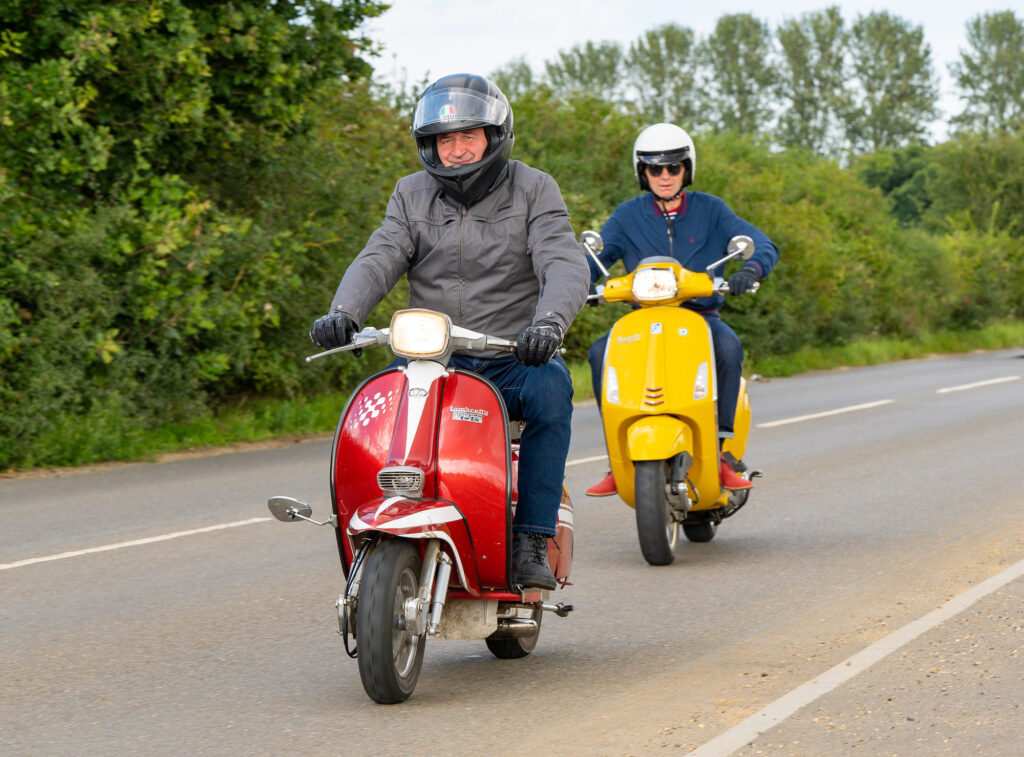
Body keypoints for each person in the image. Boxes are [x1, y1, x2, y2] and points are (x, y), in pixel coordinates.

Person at [309, 74, 590, 590]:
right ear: (429, 146)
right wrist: (344, 312)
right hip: (432, 362)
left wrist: (547, 325)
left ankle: (530, 537)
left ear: (495, 137)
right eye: (445, 140)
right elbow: (381, 255)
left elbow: (563, 261)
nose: (457, 151)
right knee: (373, 411)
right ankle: (373, 531)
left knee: (553, 391)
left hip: (513, 357)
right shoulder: (410, 194)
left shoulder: (534, 187)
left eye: (468, 137)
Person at [584, 123, 779, 497]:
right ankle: (616, 457)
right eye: (655, 168)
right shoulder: (627, 215)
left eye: (673, 167)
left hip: (699, 316)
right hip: (643, 317)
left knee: (727, 347)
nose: (664, 176)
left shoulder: (712, 210)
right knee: (599, 352)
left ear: (687, 168)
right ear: (641, 172)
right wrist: (575, 279)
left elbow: (760, 242)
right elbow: (598, 259)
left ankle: (721, 455)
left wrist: (751, 268)